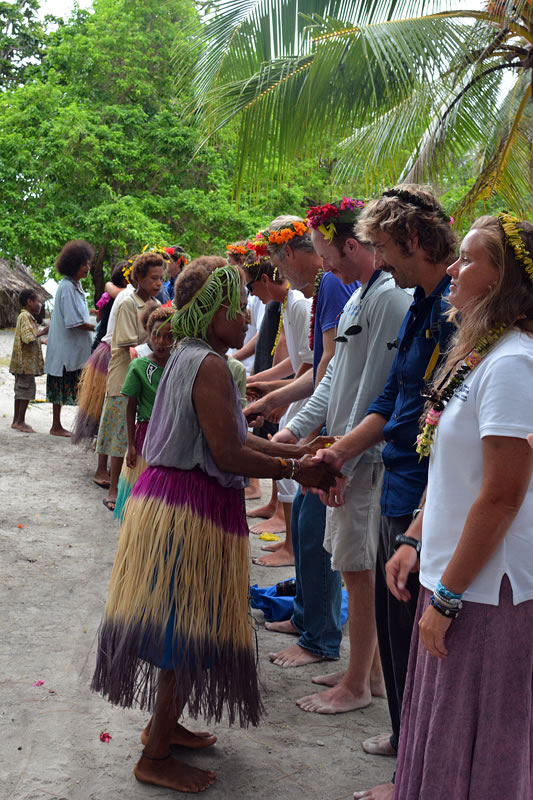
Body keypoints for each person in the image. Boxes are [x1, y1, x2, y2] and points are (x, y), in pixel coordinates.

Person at [91, 260, 337, 794]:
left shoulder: (195, 356)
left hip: (180, 501)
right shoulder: (207, 365)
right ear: (209, 311)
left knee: (181, 625)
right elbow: (229, 451)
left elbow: (238, 439)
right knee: (185, 629)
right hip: (189, 508)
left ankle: (165, 727)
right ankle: (154, 754)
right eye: (234, 308)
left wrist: (296, 451)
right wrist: (296, 467)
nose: (245, 317)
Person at [309, 186, 457, 800]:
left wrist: (347, 449)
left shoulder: (446, 310)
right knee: (396, 637)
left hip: (420, 495)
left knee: (412, 639)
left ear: (413, 242)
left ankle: (413, 771)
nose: (381, 260)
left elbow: (426, 414)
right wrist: (337, 449)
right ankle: (404, 746)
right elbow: (391, 399)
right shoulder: (420, 303)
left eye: (387, 247)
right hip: (395, 478)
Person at [385, 213, 533, 798]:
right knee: (443, 737)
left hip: (482, 592)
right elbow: (457, 472)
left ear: (504, 280)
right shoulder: (483, 357)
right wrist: (416, 537)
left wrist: (446, 596)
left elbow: (501, 494)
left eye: (469, 259)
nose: (452, 268)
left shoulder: (515, 363)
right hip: (452, 577)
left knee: (478, 746)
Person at [263, 200, 410, 691]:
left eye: (325, 252)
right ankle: (364, 671)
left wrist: (344, 452)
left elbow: (378, 391)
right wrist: (293, 430)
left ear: (352, 246)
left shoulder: (389, 299)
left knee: (357, 568)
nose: (322, 263)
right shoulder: (355, 296)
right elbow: (331, 382)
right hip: (343, 450)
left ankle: (359, 683)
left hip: (360, 458)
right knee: (349, 565)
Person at [245, 204, 361, 670]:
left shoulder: (329, 285)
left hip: (335, 428)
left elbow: (325, 371)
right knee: (311, 528)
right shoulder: (322, 291)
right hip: (325, 423)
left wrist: (300, 427)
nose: (278, 269)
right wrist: (282, 411)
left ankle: (320, 634)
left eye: (281, 259)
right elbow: (318, 370)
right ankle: (308, 619)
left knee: (317, 533)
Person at [244, 228, 313, 564]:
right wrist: (264, 383)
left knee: (290, 467)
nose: (252, 296)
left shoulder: (298, 304)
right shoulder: (288, 304)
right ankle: (288, 542)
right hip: (294, 392)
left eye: (252, 286)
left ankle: (290, 547)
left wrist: (279, 396)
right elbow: (296, 360)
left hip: (302, 396)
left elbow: (308, 365)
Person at [96, 252, 163, 511]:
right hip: (123, 375)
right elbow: (127, 345)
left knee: (136, 437)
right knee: (119, 436)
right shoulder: (126, 302)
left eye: (161, 278)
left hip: (145, 377)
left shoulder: (156, 304)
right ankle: (113, 491)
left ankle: (132, 490)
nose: (158, 283)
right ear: (139, 278)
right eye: (153, 278)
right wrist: (157, 345)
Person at [71, 262, 131, 486]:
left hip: (101, 353)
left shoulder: (114, 293)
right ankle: (101, 468)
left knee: (100, 412)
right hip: (109, 356)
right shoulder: (123, 295)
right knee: (105, 413)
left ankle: (104, 465)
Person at [113, 305, 175, 521]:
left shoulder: (181, 366)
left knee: (163, 495)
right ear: (149, 334)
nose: (161, 342)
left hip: (171, 436)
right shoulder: (138, 366)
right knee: (140, 491)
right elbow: (131, 406)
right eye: (156, 335)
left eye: (169, 337)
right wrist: (130, 444)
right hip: (145, 435)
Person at [44, 239, 96, 437]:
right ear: (73, 265)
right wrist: (96, 326)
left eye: (88, 264)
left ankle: (74, 426)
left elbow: (78, 312)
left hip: (74, 348)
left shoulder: (76, 286)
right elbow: (73, 322)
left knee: (76, 386)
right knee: (63, 385)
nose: (87, 268)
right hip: (67, 349)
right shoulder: (66, 287)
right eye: (84, 264)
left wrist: (92, 311)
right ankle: (56, 426)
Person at [9, 289, 48, 433]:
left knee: (20, 390)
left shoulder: (26, 317)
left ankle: (16, 421)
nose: (40, 305)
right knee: (26, 390)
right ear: (29, 302)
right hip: (25, 364)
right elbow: (28, 338)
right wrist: (43, 331)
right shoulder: (25, 316)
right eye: (38, 301)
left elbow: (29, 337)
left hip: (23, 364)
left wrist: (42, 341)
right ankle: (20, 421)